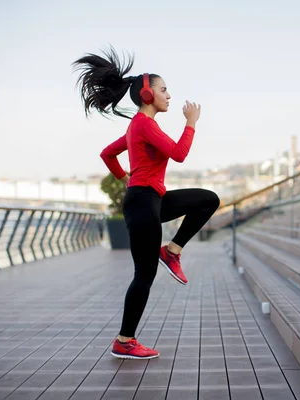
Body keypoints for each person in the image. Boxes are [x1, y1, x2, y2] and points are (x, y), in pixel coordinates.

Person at [73, 47, 220, 360]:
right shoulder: (143, 125)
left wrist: (124, 177)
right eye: (164, 89)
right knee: (144, 275)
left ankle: (172, 250)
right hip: (143, 203)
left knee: (208, 200)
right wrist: (191, 122)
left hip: (151, 198)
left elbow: (106, 154)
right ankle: (124, 341)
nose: (169, 95)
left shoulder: (137, 127)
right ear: (147, 93)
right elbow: (179, 153)